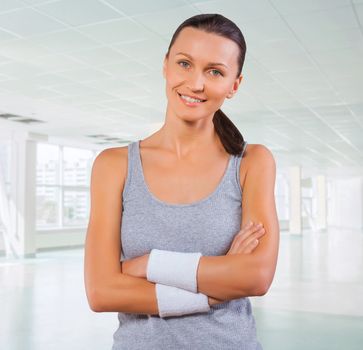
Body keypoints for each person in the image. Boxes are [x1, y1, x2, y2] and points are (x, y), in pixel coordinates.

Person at [84, 13, 279, 350]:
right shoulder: (113, 166)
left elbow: (256, 277)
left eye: (215, 71)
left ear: (234, 84)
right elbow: (102, 292)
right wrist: (219, 279)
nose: (196, 83)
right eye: (185, 63)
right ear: (165, 65)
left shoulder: (251, 162)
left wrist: (149, 265)